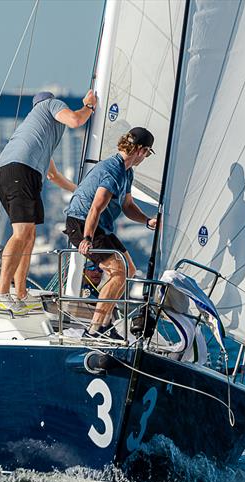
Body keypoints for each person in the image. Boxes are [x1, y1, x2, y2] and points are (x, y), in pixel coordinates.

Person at [0, 89, 98, 314]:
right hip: (21, 171)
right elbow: (76, 120)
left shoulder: (36, 137)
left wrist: (81, 191)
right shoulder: (49, 105)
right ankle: (0, 293)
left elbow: (53, 176)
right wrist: (89, 106)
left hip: (14, 173)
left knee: (29, 234)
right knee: (21, 233)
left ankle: (20, 294)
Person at [64, 127, 158, 339]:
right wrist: (86, 238)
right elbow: (96, 207)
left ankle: (104, 320)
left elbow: (127, 206)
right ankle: (95, 329)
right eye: (148, 153)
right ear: (141, 150)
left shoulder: (127, 172)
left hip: (101, 227)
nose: (146, 157)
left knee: (129, 270)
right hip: (82, 222)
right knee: (118, 271)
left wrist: (147, 221)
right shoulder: (113, 170)